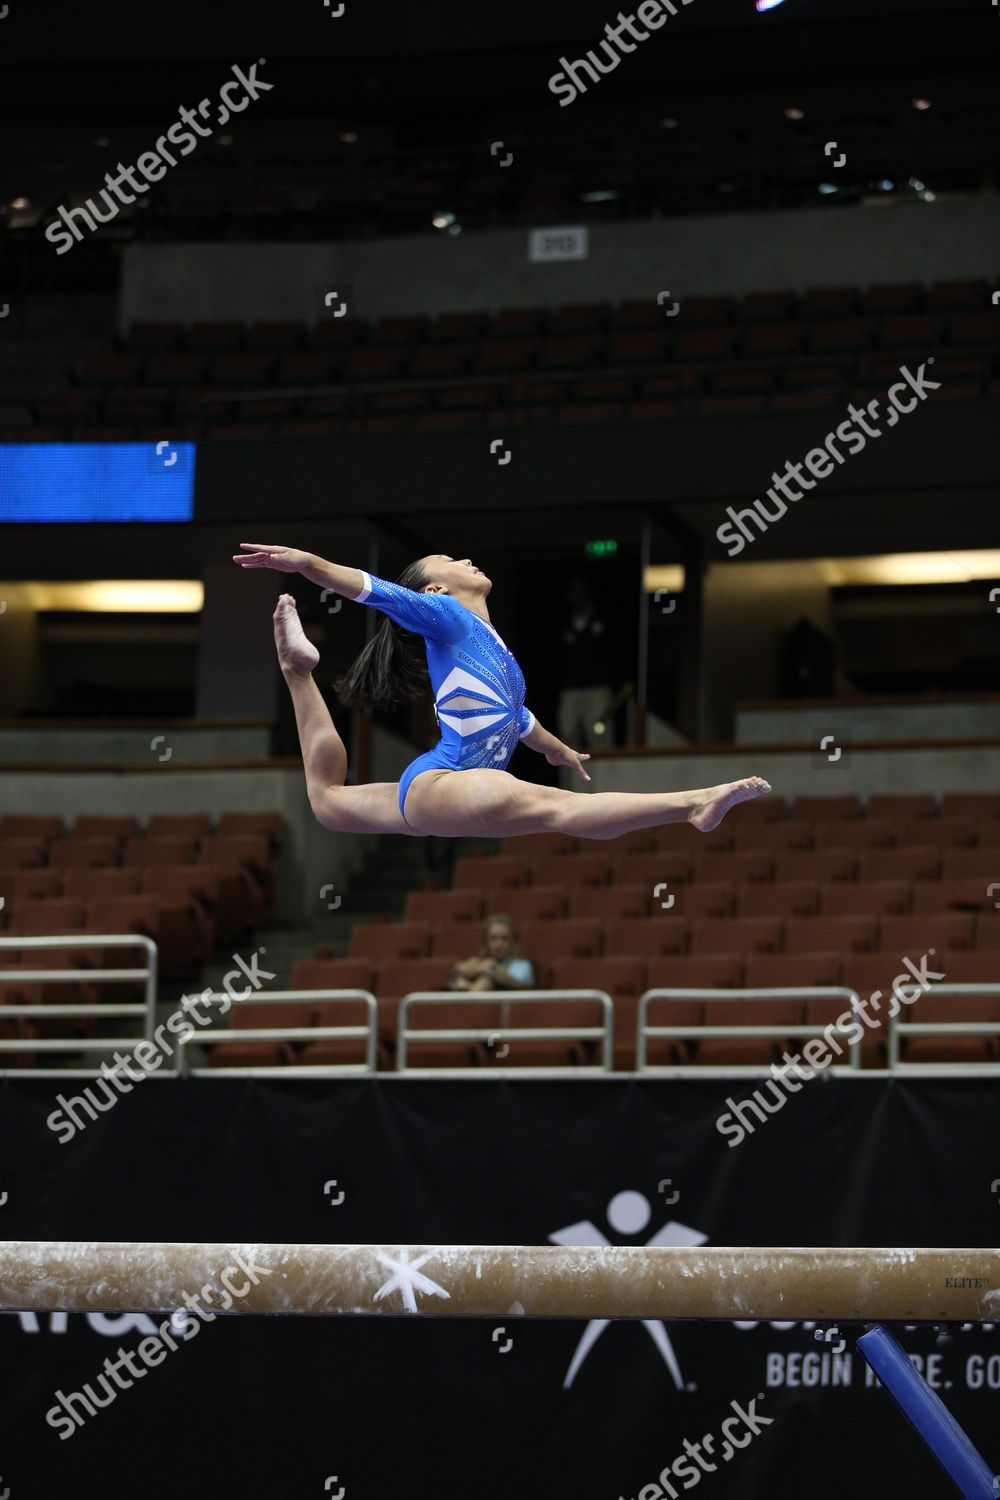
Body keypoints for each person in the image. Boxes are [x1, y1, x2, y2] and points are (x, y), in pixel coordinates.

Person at [232, 542, 771, 839]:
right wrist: (309, 565)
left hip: (441, 791)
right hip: (449, 781)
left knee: (326, 802)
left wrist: (549, 743)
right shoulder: (442, 613)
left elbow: (511, 711)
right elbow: (372, 590)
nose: (465, 557)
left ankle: (297, 672)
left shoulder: (493, 649)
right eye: (448, 560)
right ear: (436, 590)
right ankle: (692, 804)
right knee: (555, 809)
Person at [557, 575, 617, 786]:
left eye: (582, 591)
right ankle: (569, 789)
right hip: (570, 690)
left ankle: (604, 790)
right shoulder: (563, 622)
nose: (578, 596)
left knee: (600, 739)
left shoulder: (604, 620)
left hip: (598, 689)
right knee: (566, 739)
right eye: (574, 592)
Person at [447, 915, 535, 993]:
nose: (498, 944)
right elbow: (459, 969)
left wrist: (490, 970)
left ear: (513, 942)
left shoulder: (522, 965)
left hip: (509, 1007)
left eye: (504, 939)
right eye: (493, 939)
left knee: (485, 982)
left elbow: (517, 984)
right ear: (486, 942)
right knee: (460, 982)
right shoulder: (479, 963)